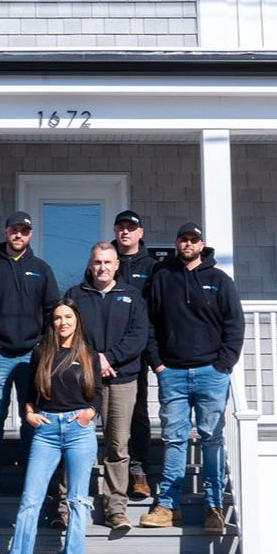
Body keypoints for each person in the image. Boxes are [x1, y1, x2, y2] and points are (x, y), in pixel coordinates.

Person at [139, 223, 245, 534]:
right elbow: (149, 323)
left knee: (211, 439)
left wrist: (223, 365)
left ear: (201, 244)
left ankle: (214, 507)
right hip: (171, 373)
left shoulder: (219, 280)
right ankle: (169, 507)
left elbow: (234, 325)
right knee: (174, 439)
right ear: (176, 242)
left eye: (193, 240)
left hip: (210, 374)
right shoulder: (162, 277)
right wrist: (157, 363)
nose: (188, 244)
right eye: (183, 239)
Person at [0, 300, 102, 554]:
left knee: (78, 503)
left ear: (77, 320)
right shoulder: (42, 353)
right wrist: (29, 413)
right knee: (30, 501)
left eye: (68, 316)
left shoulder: (88, 354)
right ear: (52, 323)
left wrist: (89, 414)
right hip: (45, 431)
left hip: (78, 430)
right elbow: (31, 393)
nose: (62, 322)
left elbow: (98, 394)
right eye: (57, 318)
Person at [0, 211, 60, 499]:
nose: (19, 235)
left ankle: (32, 478)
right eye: (14, 230)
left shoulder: (41, 269)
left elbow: (52, 312)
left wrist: (44, 347)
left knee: (32, 416)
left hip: (32, 356)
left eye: (25, 231)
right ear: (6, 232)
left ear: (30, 235)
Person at [65, 242, 148, 530]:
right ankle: (67, 507)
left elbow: (139, 335)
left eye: (107, 262)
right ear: (91, 264)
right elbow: (67, 333)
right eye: (97, 262)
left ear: (117, 266)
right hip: (82, 380)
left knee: (117, 445)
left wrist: (108, 358)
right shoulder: (75, 295)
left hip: (122, 379)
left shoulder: (132, 296)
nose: (102, 267)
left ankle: (116, 509)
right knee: (74, 444)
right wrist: (92, 360)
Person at [111, 210, 158, 499]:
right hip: (105, 353)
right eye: (121, 227)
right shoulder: (104, 262)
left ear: (140, 232)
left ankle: (139, 472)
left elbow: (156, 312)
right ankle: (108, 471)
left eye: (131, 228)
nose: (125, 232)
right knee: (102, 414)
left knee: (138, 413)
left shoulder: (152, 267)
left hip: (137, 354)